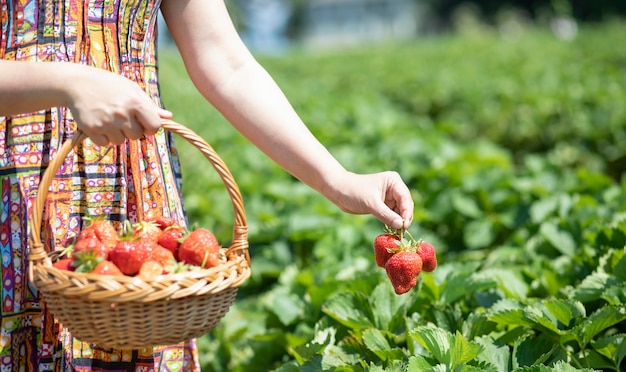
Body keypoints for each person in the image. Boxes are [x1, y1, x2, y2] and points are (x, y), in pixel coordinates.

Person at [0, 0, 414, 370]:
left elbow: (225, 62)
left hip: (135, 199)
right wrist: (67, 82)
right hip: (14, 197)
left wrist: (337, 180)